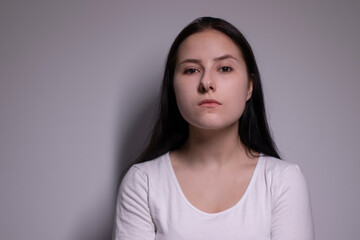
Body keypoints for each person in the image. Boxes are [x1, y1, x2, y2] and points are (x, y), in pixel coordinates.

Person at [114, 17, 314, 240]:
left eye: (225, 68)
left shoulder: (283, 181)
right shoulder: (144, 183)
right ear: (172, 87)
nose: (207, 82)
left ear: (249, 86)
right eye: (191, 70)